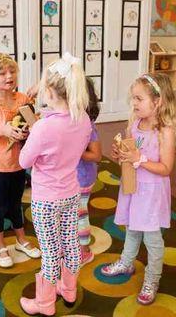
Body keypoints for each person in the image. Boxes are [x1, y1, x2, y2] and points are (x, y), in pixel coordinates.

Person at [18, 53, 91, 316]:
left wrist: (34, 135)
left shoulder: (42, 128)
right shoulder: (83, 118)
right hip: (71, 193)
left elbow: (25, 160)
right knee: (71, 245)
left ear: (48, 91)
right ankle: (68, 290)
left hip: (46, 201)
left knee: (50, 253)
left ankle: (44, 304)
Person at [102, 73, 176, 306]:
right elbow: (130, 154)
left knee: (153, 239)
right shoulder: (134, 124)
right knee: (132, 229)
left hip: (152, 193)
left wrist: (139, 158)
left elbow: (166, 168)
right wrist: (121, 154)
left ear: (158, 101)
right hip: (133, 186)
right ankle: (126, 262)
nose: (133, 103)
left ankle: (153, 279)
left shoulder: (165, 131)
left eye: (139, 99)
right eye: (132, 98)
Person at [0, 51, 41, 268]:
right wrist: (2, 130)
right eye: (2, 73)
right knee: (0, 206)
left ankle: (21, 240)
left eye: (12, 71)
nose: (9, 76)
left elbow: (33, 125)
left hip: (20, 162)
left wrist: (28, 131)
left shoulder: (23, 99)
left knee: (16, 203)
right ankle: (1, 246)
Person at [76, 78, 102, 266]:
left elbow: (96, 155)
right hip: (72, 177)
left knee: (80, 216)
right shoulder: (72, 122)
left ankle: (85, 251)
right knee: (73, 215)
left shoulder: (88, 125)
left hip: (83, 178)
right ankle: (74, 246)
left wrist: (76, 150)